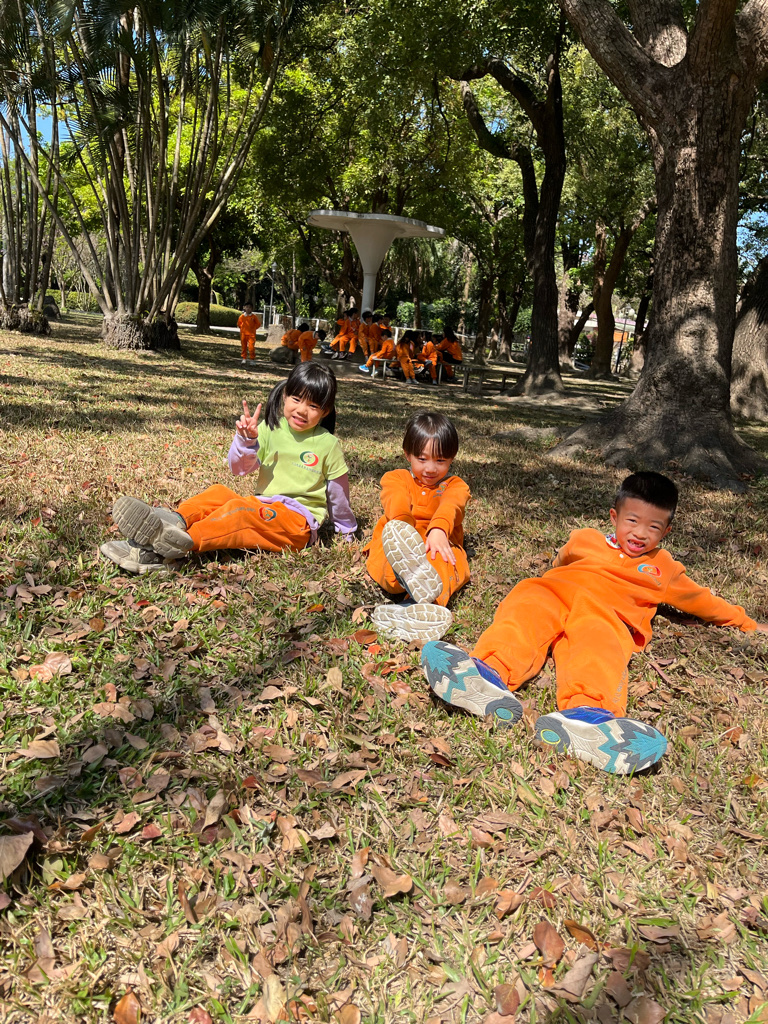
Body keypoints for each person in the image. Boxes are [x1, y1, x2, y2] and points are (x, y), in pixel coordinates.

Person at [421, 472, 768, 775]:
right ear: (615, 516)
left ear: (666, 531)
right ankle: (487, 674)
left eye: (653, 527)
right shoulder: (585, 538)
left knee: (598, 649)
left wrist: (747, 624)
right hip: (556, 592)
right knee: (525, 609)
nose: (640, 533)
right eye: (632, 521)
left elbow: (703, 602)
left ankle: (588, 718)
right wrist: (552, 576)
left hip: (606, 613)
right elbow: (561, 560)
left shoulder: (664, 568)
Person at [100, 363, 357, 574]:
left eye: (313, 406)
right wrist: (247, 441)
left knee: (239, 511)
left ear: (325, 411)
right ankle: (174, 522)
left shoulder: (328, 444)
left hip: (296, 524)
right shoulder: (270, 428)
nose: (302, 410)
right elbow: (240, 469)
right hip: (263, 505)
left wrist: (346, 531)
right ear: (284, 395)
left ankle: (175, 546)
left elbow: (338, 494)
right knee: (219, 493)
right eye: (297, 399)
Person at [365, 411, 470, 642]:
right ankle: (402, 579)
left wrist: (439, 530)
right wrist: (403, 528)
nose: (431, 468)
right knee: (388, 561)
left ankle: (415, 608)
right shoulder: (397, 478)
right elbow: (396, 499)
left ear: (452, 458)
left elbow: (451, 504)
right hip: (398, 538)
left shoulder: (455, 485)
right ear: (408, 454)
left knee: (445, 563)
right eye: (422, 459)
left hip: (439, 542)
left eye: (440, 461)